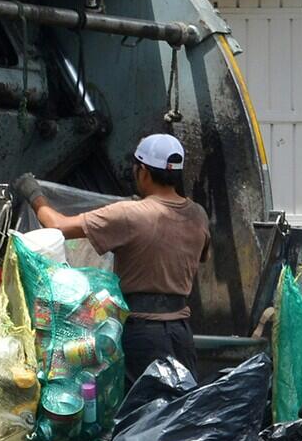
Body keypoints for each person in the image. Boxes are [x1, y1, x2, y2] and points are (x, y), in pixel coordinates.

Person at [13, 133, 210, 384]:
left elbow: (57, 226)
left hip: (141, 333)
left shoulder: (131, 214)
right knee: (177, 411)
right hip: (181, 333)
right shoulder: (198, 215)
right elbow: (198, 254)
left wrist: (33, 193)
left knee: (139, 413)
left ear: (144, 172)